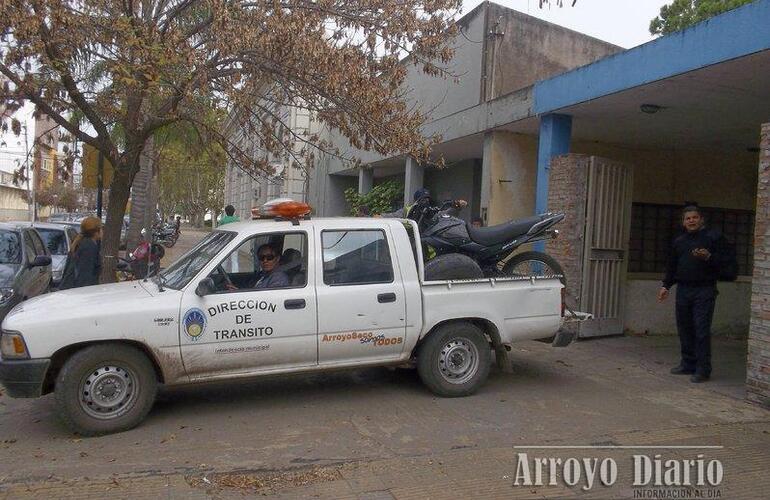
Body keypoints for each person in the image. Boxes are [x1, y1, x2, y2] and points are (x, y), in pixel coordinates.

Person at [657, 203, 730, 383]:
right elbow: (672, 266)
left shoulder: (713, 238)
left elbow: (727, 265)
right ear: (683, 222)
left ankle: (703, 369)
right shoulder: (679, 242)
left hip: (704, 290)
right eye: (688, 218)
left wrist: (709, 257)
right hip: (684, 289)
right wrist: (666, 285)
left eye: (694, 218)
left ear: (701, 219)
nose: (691, 221)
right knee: (685, 328)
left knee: (701, 330)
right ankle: (688, 363)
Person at [59, 216, 102, 290]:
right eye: (101, 228)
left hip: (70, 288)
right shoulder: (88, 247)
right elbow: (85, 274)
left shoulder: (80, 242)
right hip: (78, 291)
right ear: (96, 232)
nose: (102, 231)